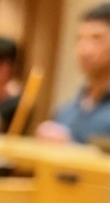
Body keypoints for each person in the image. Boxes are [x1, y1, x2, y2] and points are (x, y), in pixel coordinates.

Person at [36, 3, 110, 144]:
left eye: (96, 38)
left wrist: (69, 145)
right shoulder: (67, 110)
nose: (84, 49)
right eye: (79, 39)